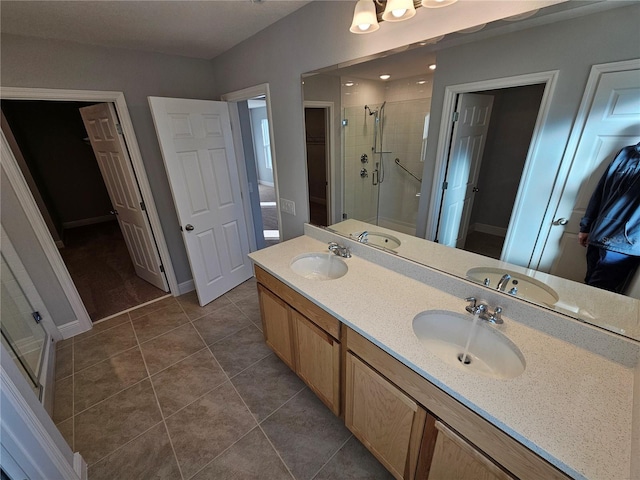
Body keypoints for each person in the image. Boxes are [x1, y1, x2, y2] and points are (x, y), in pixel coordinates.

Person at [578, 141, 640, 294]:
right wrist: (586, 226)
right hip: (598, 234)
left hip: (624, 245)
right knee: (588, 287)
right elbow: (601, 190)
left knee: (596, 295)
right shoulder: (626, 153)